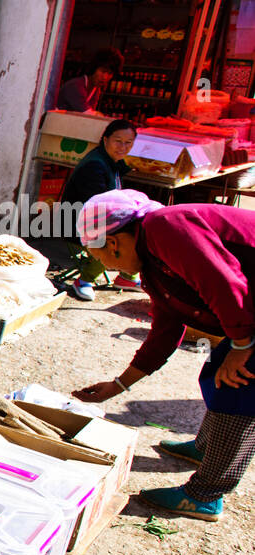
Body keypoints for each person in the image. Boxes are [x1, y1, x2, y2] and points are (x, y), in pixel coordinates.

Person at [71, 190, 255, 521]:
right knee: (214, 375)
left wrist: (242, 345)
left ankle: (206, 494)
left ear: (113, 242)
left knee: (239, 389)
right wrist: (118, 385)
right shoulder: (152, 264)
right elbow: (166, 329)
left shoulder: (164, 227)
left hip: (248, 307)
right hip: (248, 308)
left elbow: (225, 284)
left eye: (96, 254)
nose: (105, 266)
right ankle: (207, 449)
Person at [59, 119, 141, 300]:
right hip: (74, 223)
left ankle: (128, 276)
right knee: (117, 240)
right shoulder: (95, 166)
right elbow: (99, 209)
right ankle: (84, 280)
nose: (123, 147)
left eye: (128, 143)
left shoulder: (111, 160)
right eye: (117, 141)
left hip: (94, 219)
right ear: (105, 140)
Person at [56, 48, 123, 113]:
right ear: (94, 68)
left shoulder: (96, 90)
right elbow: (89, 114)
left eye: (110, 73)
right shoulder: (75, 86)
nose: (105, 77)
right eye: (103, 71)